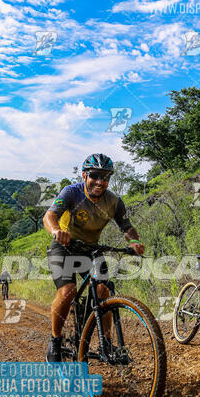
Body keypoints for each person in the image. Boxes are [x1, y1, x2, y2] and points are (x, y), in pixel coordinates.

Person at [43, 153, 144, 362]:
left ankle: (106, 344)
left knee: (103, 290)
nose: (100, 181)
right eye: (95, 176)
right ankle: (55, 340)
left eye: (105, 177)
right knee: (67, 291)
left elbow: (126, 227)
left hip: (91, 250)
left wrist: (132, 241)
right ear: (84, 175)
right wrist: (56, 231)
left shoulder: (114, 201)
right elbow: (49, 216)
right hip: (64, 246)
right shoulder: (71, 193)